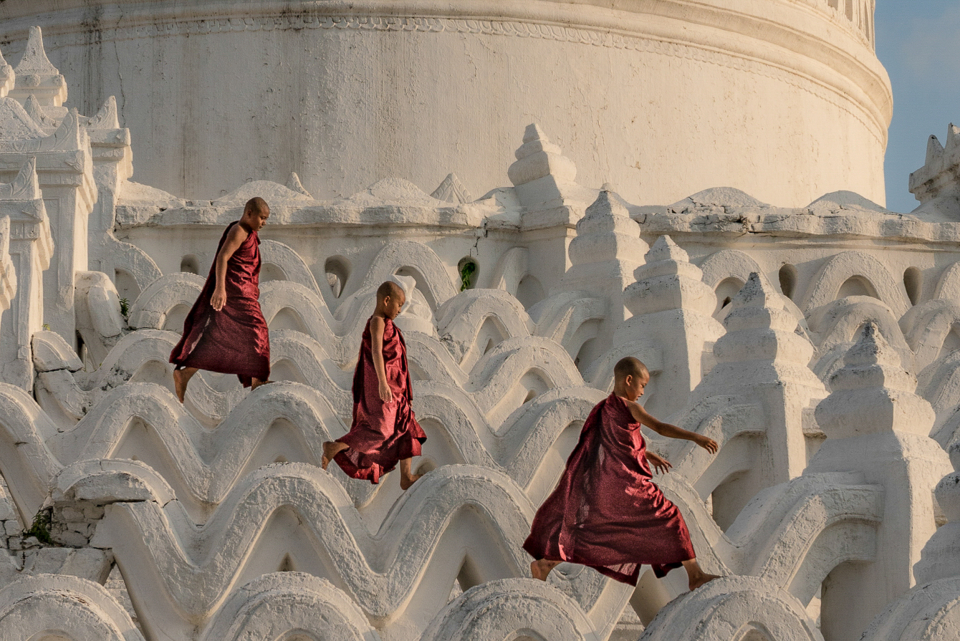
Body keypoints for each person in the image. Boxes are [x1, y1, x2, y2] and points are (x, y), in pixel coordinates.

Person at [524, 356, 720, 591]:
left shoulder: (605, 407)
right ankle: (695, 575)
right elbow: (660, 427)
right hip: (629, 485)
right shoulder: (629, 407)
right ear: (629, 380)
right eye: (642, 385)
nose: (642, 392)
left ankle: (545, 565)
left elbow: (617, 443)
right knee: (671, 516)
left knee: (598, 532)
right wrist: (696, 437)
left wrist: (647, 454)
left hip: (608, 486)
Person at [322, 281, 427, 489]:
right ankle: (335, 447)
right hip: (383, 388)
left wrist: (402, 389)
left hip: (397, 391)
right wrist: (382, 381)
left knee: (407, 426)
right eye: (399, 304)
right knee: (381, 431)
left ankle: (406, 476)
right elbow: (376, 352)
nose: (400, 310)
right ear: (386, 300)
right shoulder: (377, 322)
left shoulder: (391, 326)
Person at [169, 197, 272, 402]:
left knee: (219, 339)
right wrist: (220, 289)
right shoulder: (239, 231)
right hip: (235, 294)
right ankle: (258, 380)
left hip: (245, 292)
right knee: (259, 329)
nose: (264, 223)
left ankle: (185, 374)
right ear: (249, 213)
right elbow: (223, 257)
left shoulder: (249, 233)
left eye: (266, 219)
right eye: (261, 217)